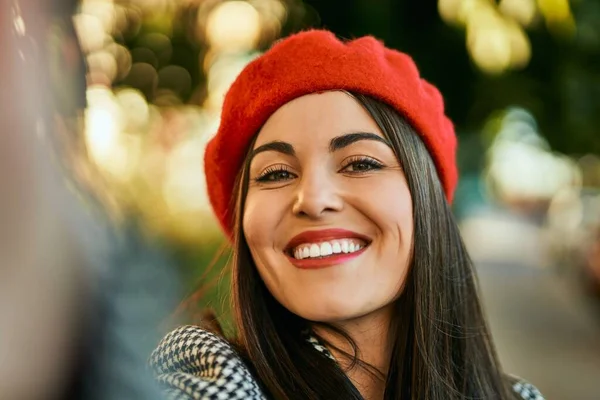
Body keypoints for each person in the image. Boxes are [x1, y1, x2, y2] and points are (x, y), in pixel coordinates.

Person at [149, 30, 544, 400]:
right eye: (276, 173)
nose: (313, 199)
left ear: (425, 203)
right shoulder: (208, 380)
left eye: (360, 164)